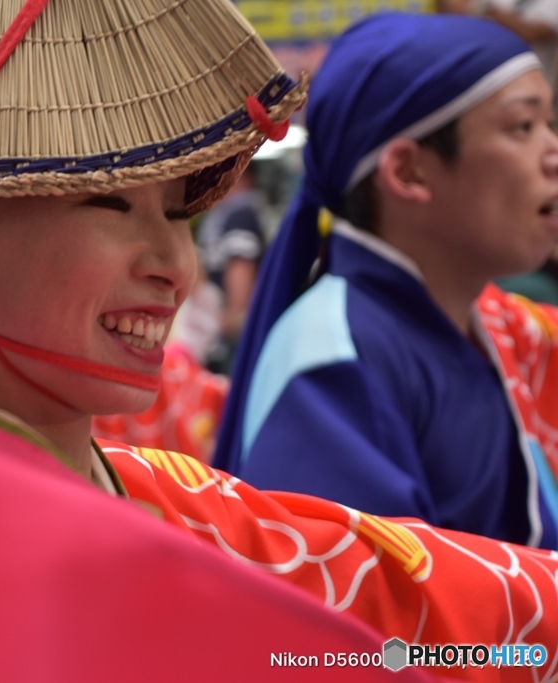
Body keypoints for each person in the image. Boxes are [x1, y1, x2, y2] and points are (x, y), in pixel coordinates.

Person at [0, 1, 558, 680]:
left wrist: (507, 652)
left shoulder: (102, 489)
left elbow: (340, 645)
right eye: (110, 204)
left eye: (180, 212)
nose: (174, 265)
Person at [215, 12, 558, 550]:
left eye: (549, 124)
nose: (552, 154)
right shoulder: (336, 358)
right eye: (522, 126)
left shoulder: (482, 322)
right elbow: (360, 627)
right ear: (408, 172)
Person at [195, 164, 266, 371]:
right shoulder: (234, 212)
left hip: (229, 341)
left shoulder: (240, 213)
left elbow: (241, 270)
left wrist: (226, 324)